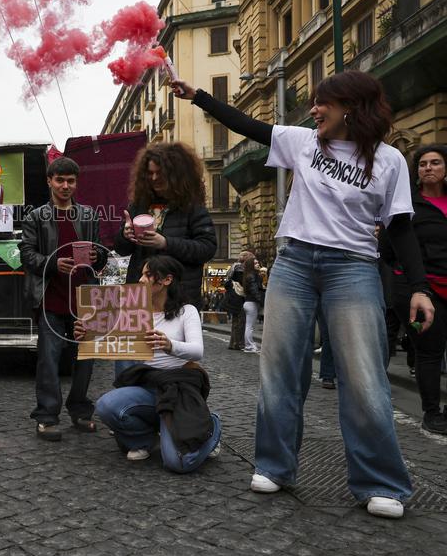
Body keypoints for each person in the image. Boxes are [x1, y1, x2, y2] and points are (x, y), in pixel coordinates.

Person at [172, 69, 434, 519]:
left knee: (365, 377)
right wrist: (197, 97)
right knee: (279, 371)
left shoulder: (390, 161)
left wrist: (420, 288)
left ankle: (380, 482)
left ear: (350, 108)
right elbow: (246, 125)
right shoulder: (304, 142)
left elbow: (402, 228)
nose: (313, 110)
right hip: (293, 263)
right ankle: (276, 466)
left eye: (322, 104)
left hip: (352, 266)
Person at [84, 255, 221, 472]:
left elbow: (197, 351)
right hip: (149, 387)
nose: (141, 280)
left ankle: (212, 427)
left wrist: (169, 345)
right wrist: (86, 334)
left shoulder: (187, 311)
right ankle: (144, 439)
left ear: (166, 280)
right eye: (142, 274)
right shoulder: (135, 312)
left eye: (148, 275)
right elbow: (108, 339)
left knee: (178, 463)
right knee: (106, 406)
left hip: (178, 390)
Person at [19, 156, 109, 441]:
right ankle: (46, 415)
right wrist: (52, 263)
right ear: (50, 181)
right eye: (60, 180)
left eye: (71, 181)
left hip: (85, 299)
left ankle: (80, 409)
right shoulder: (35, 217)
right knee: (49, 357)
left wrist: (100, 256)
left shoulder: (90, 215)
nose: (65, 186)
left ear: (76, 183)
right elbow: (26, 255)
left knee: (86, 358)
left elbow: (101, 254)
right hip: (50, 298)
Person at [381, 144, 447, 435]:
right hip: (417, 291)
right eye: (422, 164)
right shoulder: (407, 205)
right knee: (429, 351)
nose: (428, 168)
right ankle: (432, 413)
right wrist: (409, 276)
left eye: (435, 162)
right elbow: (387, 248)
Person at [114, 142, 217, 309]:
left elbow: (207, 247)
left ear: (175, 174)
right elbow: (121, 249)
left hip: (179, 298)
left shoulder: (192, 207)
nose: (154, 178)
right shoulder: (138, 205)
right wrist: (125, 236)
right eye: (150, 173)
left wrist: (165, 243)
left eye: (160, 173)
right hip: (141, 298)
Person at [223, 250, 252, 350]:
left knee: (236, 321)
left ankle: (233, 343)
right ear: (246, 259)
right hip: (239, 298)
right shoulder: (240, 269)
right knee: (240, 320)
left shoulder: (234, 267)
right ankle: (238, 343)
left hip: (233, 297)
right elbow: (244, 283)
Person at [241, 254, 266, 353]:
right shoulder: (252, 276)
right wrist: (261, 301)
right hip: (251, 303)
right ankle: (249, 346)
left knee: (249, 326)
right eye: (255, 263)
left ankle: (249, 345)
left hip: (249, 302)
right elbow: (254, 290)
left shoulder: (249, 275)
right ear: (251, 265)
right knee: (249, 326)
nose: (257, 264)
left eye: (257, 262)